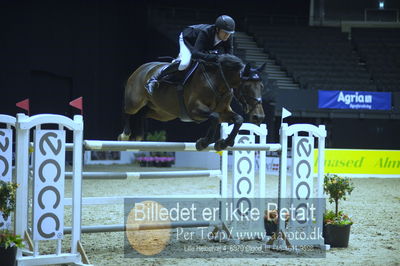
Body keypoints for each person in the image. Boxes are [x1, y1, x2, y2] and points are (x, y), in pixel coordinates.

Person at [146, 15, 236, 92]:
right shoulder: (206, 32)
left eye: (229, 33)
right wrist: (216, 58)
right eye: (225, 33)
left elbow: (229, 57)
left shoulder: (228, 37)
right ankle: (155, 78)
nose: (227, 36)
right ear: (217, 29)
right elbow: (196, 54)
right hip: (188, 39)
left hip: (203, 46)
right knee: (184, 63)